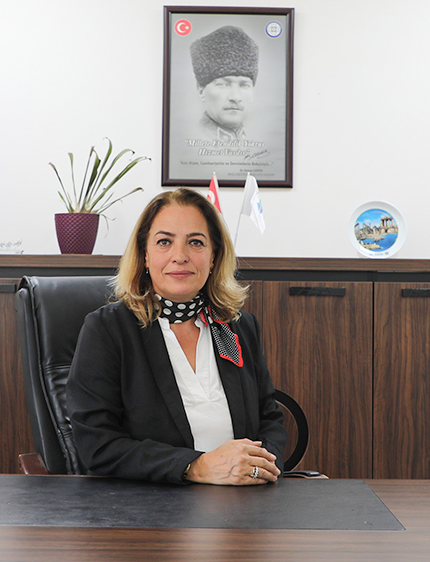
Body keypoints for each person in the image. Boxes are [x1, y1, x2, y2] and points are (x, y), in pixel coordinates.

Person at [66, 187, 286, 485]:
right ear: (145, 255)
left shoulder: (236, 326)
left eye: (196, 242)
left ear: (213, 256)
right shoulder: (107, 329)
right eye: (164, 242)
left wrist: (262, 466)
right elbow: (98, 445)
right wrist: (195, 467)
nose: (180, 256)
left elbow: (269, 419)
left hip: (244, 499)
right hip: (151, 504)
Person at [189, 26, 258, 141]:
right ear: (201, 90)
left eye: (244, 85)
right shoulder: (190, 138)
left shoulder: (255, 139)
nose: (236, 97)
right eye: (223, 85)